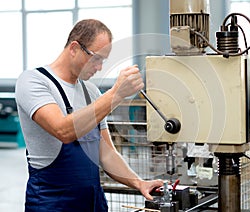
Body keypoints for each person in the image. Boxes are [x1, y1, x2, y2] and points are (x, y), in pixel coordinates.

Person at [15, 19, 163, 212]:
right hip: (51, 203)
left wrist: (138, 182)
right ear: (74, 48)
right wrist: (116, 94)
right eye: (96, 58)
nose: (100, 67)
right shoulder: (33, 81)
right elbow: (63, 130)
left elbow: (106, 154)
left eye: (103, 61)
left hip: (92, 203)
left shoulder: (90, 91)